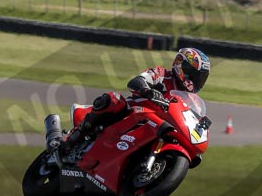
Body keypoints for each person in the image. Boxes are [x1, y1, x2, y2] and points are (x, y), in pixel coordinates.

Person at [60, 47, 210, 156]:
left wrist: (201, 125)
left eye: (201, 78)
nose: (197, 81)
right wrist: (147, 90)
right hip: (135, 112)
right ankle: (73, 139)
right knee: (113, 100)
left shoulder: (191, 101)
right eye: (194, 75)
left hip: (159, 126)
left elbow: (191, 119)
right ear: (180, 66)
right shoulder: (162, 75)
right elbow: (137, 81)